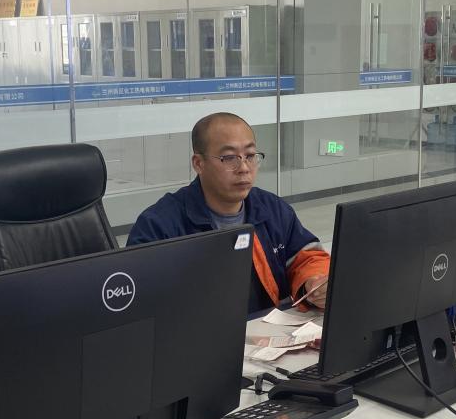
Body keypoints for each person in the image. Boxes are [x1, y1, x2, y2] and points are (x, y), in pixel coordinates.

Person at [128, 113, 330, 314]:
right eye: (230, 158)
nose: (244, 168)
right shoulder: (159, 226)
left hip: (271, 328)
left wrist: (313, 283)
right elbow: (141, 304)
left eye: (250, 156)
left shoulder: (272, 209)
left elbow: (307, 258)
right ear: (198, 163)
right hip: (200, 331)